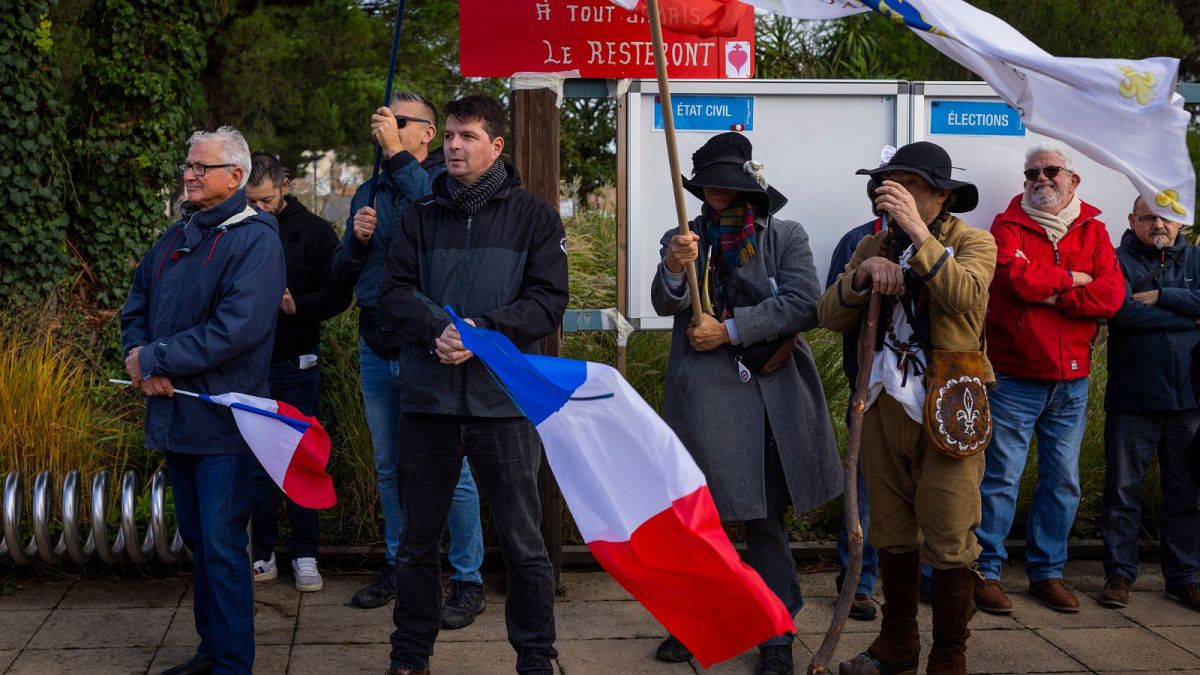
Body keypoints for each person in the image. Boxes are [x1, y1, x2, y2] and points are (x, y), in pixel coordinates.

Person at [377, 94, 568, 675]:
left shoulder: (534, 216)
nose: (454, 146)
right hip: (429, 402)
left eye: (467, 136)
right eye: (451, 135)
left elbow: (546, 302)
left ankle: (536, 658)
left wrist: (480, 333)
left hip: (503, 404)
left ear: (496, 145)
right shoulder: (420, 214)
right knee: (417, 544)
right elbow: (394, 293)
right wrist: (441, 329)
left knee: (525, 545)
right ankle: (410, 657)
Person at [651, 132, 843, 675]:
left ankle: (776, 630)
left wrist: (730, 329)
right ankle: (694, 622)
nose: (714, 191)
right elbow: (664, 301)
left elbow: (805, 303)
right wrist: (671, 264)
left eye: (724, 182)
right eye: (706, 182)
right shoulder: (684, 236)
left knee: (764, 519)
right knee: (696, 517)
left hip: (767, 393)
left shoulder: (785, 236)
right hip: (701, 396)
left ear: (747, 187)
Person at [818, 141, 994, 675]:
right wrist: (865, 273)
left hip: (949, 404)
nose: (892, 192)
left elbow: (964, 297)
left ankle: (948, 656)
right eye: (888, 182)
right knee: (891, 530)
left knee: (950, 532)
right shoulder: (871, 244)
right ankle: (898, 644)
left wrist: (918, 236)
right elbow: (828, 314)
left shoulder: (975, 242)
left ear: (941, 196)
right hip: (882, 404)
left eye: (910, 184)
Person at [121, 126, 285, 674]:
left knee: (220, 542)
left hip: (223, 419)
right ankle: (210, 650)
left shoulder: (256, 237)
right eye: (187, 166)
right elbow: (138, 299)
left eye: (200, 167)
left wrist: (157, 359)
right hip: (174, 412)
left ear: (235, 177)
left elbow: (234, 330)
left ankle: (234, 663)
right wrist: (140, 355)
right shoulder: (178, 233)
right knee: (197, 538)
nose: (188, 174)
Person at [331, 92, 486, 621]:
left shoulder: (443, 186)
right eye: (385, 122)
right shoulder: (369, 192)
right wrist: (354, 241)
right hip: (375, 344)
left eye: (400, 123)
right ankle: (399, 565)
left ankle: (467, 578)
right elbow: (340, 273)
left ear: (425, 133)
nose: (387, 129)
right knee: (389, 465)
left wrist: (396, 154)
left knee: (455, 469)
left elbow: (430, 208)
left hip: (428, 347)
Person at [975, 142, 1125, 615]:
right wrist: (1073, 279)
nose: (1040, 179)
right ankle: (987, 572)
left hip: (1073, 382)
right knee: (1000, 479)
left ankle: (1047, 572)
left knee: (1063, 482)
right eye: (1032, 173)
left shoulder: (1096, 230)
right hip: (1015, 378)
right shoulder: (1006, 225)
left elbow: (1110, 296)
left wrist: (1051, 288)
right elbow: (1013, 282)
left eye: (1051, 171)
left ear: (1073, 180)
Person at [244, 151, 351, 593]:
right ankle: (262, 552)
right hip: (248, 367)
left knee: (301, 458)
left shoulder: (314, 231)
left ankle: (306, 553)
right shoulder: (237, 227)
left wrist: (298, 307)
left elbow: (340, 293)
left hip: (296, 362)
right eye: (251, 200)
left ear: (284, 185)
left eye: (266, 199)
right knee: (253, 464)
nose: (259, 209)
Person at [1098, 195, 1200, 612]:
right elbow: (1121, 313)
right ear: (1132, 220)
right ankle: (1119, 575)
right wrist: (1192, 315)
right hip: (1133, 398)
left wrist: (1161, 296)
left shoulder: (1195, 258)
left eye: (1165, 217)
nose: (1158, 225)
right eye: (1148, 218)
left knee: (1188, 495)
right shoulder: (1117, 259)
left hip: (1191, 400)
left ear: (1179, 221)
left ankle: (1184, 578)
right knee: (1122, 491)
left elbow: (1143, 309)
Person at [826, 182, 884, 622]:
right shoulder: (857, 241)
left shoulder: (948, 241)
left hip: (928, 388)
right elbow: (832, 309)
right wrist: (865, 276)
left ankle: (923, 576)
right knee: (862, 487)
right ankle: (857, 581)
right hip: (867, 384)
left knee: (925, 491)